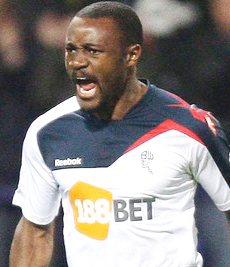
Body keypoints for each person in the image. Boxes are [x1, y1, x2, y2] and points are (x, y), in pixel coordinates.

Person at [9, 1, 230, 267]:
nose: (78, 62)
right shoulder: (48, 132)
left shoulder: (190, 126)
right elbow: (35, 232)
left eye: (93, 51)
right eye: (71, 50)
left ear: (132, 55)